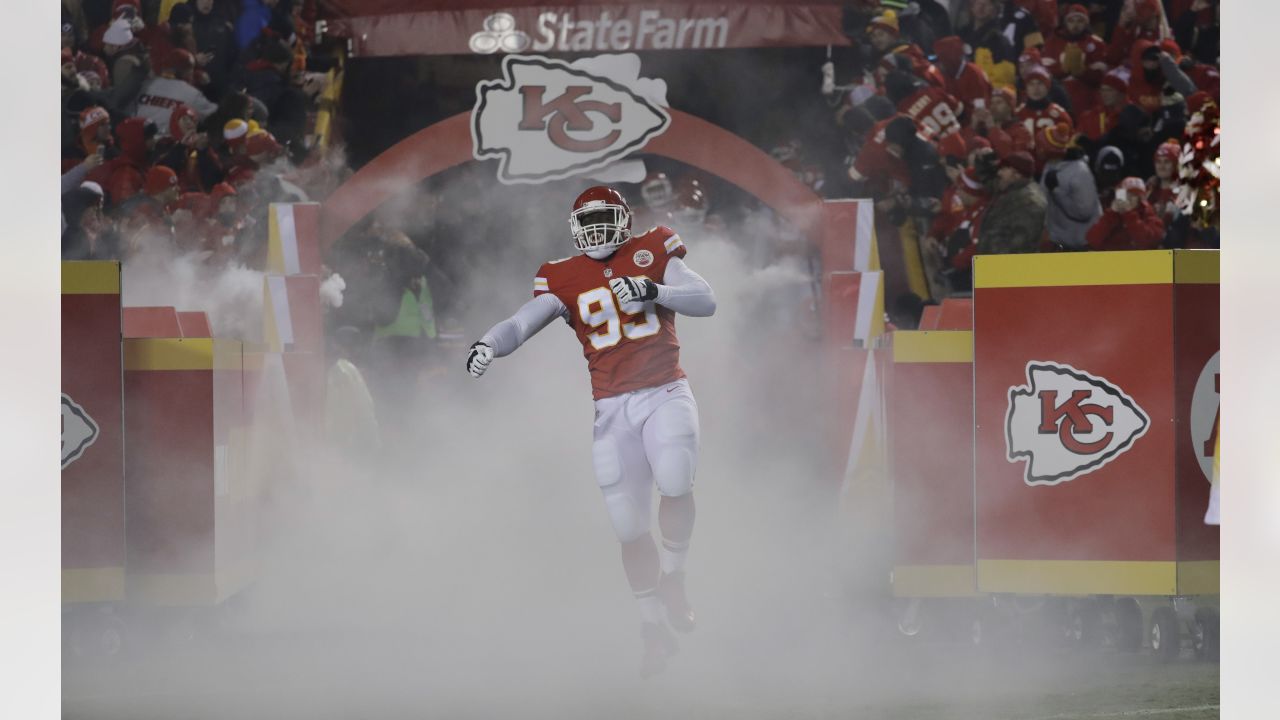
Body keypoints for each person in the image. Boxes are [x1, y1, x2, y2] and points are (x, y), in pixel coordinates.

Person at [466, 186, 716, 678]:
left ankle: (676, 578)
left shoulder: (653, 248)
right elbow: (521, 322)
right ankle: (651, 630)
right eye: (589, 219)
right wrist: (488, 343)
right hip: (611, 408)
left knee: (675, 477)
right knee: (627, 527)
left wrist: (655, 291)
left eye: (606, 217)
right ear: (574, 226)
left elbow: (706, 300)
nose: (598, 228)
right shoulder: (561, 276)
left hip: (665, 389)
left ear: (625, 219)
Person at [1039, 127, 1101, 250]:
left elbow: (1083, 213)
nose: (1038, 149)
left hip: (1081, 246)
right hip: (1058, 243)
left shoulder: (1080, 171)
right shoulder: (1049, 166)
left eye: (1041, 145)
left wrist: (1057, 192)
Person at [977, 151, 1046, 255]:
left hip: (1011, 268)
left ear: (1017, 174)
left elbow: (1018, 247)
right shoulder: (1012, 191)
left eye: (1004, 169)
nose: (999, 173)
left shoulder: (1030, 203)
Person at [1087, 176, 1165, 251]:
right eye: (1126, 194)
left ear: (1140, 199)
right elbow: (1092, 240)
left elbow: (1148, 244)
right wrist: (1111, 214)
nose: (1129, 198)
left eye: (1134, 195)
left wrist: (1129, 215)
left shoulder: (1148, 213)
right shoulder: (1111, 212)